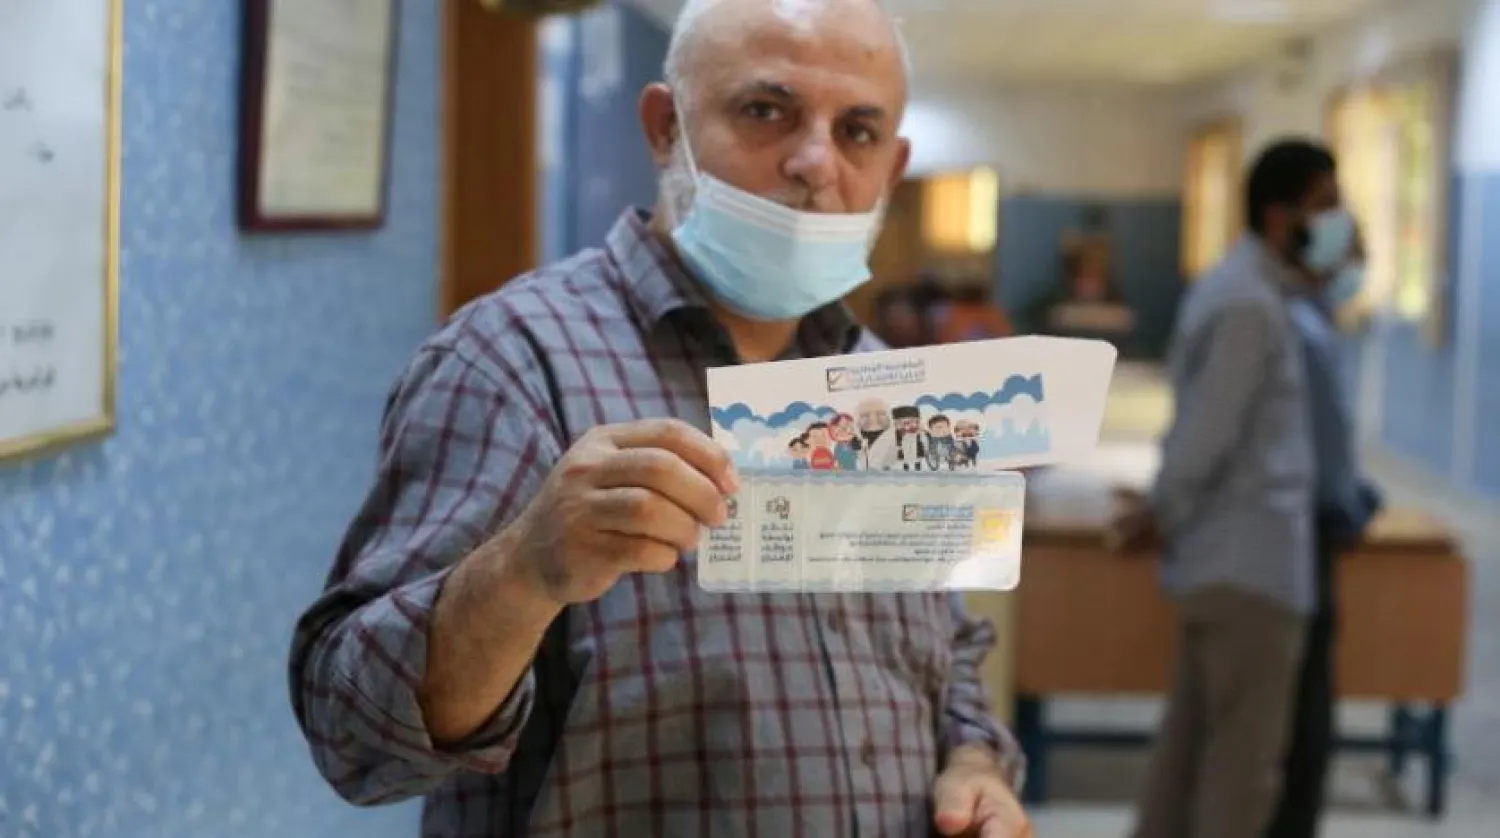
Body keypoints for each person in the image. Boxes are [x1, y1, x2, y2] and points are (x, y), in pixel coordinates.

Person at [286, 1, 1032, 836]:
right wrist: (525, 571)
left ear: (892, 170)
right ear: (665, 126)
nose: (815, 161)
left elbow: (946, 649)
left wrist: (974, 763)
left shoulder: (883, 384)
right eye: (766, 111)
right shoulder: (509, 363)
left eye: (857, 132)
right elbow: (351, 736)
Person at [1114, 139, 1336, 838]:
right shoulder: (1250, 307)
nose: (1341, 225)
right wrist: (1161, 507)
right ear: (1282, 215)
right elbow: (1206, 437)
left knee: (1187, 757)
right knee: (1241, 772)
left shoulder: (1252, 291)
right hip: (1251, 571)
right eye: (1327, 207)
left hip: (1226, 559)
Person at [1266, 203, 1384, 838]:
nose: (1358, 263)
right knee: (1303, 707)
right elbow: (1325, 449)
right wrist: (1350, 503)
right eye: (1352, 249)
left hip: (1307, 527)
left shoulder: (1311, 321)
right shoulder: (1296, 326)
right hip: (1302, 533)